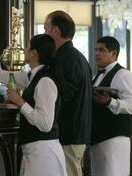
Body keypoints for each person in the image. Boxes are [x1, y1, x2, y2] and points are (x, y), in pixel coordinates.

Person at [0, 34, 67, 176]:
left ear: (34, 53)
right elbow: (3, 74)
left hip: (44, 151)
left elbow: (45, 124)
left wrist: (20, 102)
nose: (24, 50)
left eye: (27, 47)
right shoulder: (32, 77)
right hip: (35, 150)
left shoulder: (45, 81)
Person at [43, 10, 92, 176]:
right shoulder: (73, 56)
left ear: (55, 31)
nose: (44, 34)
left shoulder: (68, 59)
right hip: (72, 132)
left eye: (45, 29)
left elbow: (63, 96)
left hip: (70, 133)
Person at [90, 36, 132, 176]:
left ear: (113, 53)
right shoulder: (97, 76)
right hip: (98, 139)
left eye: (102, 50)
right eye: (96, 50)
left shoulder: (123, 74)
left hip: (114, 140)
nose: (97, 53)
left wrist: (109, 102)